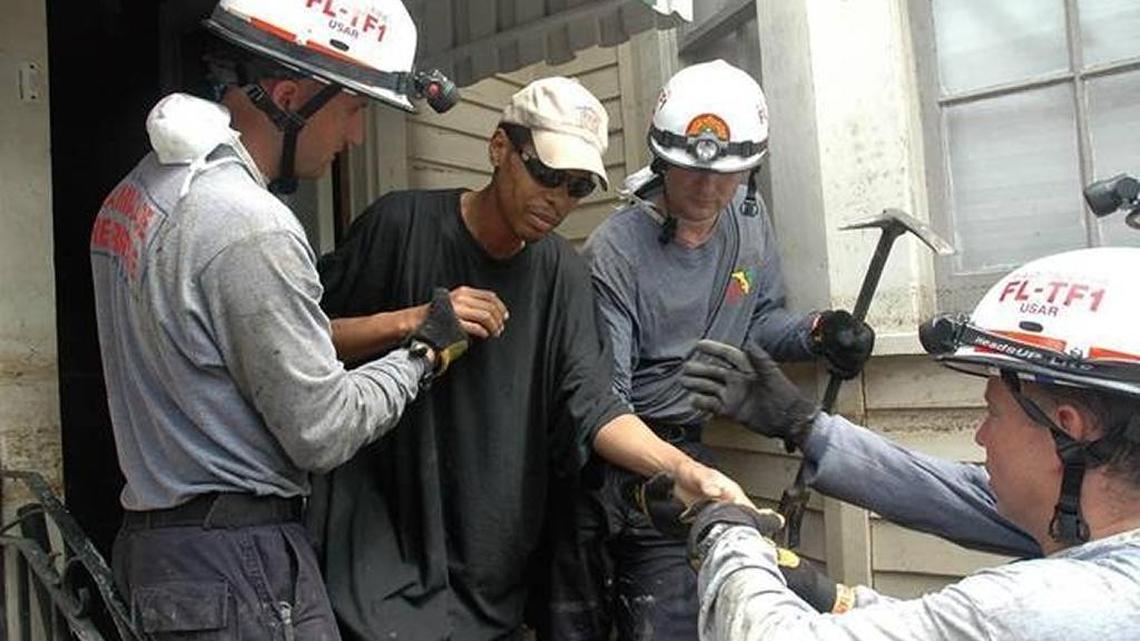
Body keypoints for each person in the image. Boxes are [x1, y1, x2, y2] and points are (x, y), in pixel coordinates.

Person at [306, 76, 751, 641]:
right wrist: (413, 321)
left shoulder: (562, 274)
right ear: (499, 148)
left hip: (488, 578)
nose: (557, 200)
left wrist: (685, 470)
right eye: (545, 174)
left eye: (577, 188)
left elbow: (595, 406)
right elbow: (308, 343)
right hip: (376, 560)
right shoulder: (400, 224)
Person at [90, 1, 463, 639]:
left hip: (160, 556)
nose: (356, 138)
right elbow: (323, 430)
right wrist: (423, 356)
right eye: (353, 109)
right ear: (290, 97)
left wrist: (395, 326)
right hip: (240, 560)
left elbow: (226, 352)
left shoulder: (138, 194)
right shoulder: (250, 225)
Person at [542, 59, 875, 641]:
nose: (709, 189)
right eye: (692, 171)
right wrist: (678, 476)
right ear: (662, 159)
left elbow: (757, 321)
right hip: (614, 460)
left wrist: (819, 332)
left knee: (697, 612)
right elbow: (604, 409)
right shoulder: (615, 253)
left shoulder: (748, 218)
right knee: (617, 618)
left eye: (728, 175)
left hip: (688, 448)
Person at [676, 246, 1140, 639]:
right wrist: (804, 426)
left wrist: (727, 534)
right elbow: (961, 496)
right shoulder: (1104, 538)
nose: (980, 435)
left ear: (1067, 428)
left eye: (993, 413)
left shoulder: (1049, 606)